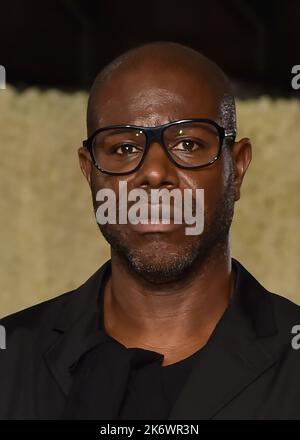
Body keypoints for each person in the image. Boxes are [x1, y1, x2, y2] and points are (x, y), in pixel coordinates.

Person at [0, 41, 300, 420]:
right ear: (88, 171)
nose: (155, 173)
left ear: (236, 168)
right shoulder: (10, 359)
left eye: (188, 143)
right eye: (124, 148)